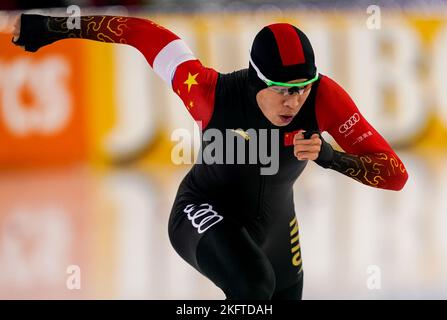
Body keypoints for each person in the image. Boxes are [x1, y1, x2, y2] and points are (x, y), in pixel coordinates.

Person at [12, 13, 408, 300]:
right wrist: (55, 26)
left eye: (303, 87)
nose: (295, 100)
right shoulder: (207, 92)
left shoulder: (323, 98)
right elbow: (141, 33)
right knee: (253, 288)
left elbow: (395, 174)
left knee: (267, 292)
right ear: (256, 79)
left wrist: (332, 157)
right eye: (283, 89)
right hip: (201, 210)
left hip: (276, 225)